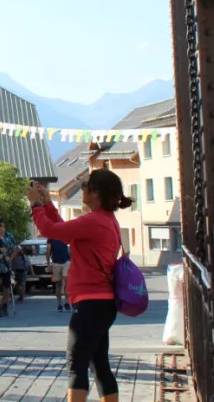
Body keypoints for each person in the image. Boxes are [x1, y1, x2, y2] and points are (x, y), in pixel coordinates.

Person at [28, 169, 133, 402]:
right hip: (103, 303)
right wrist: (48, 205)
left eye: (85, 186)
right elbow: (65, 232)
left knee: (76, 364)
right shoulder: (106, 220)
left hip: (90, 304)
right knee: (99, 364)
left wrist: (36, 205)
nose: (82, 190)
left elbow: (50, 230)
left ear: (96, 193)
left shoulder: (93, 221)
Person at [47, 237, 72, 312]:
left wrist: (71, 260)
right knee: (58, 284)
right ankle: (59, 304)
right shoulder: (51, 237)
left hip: (66, 262)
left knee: (66, 281)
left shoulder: (65, 233)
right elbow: (48, 251)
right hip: (56, 263)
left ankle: (67, 302)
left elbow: (70, 247)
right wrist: (48, 264)